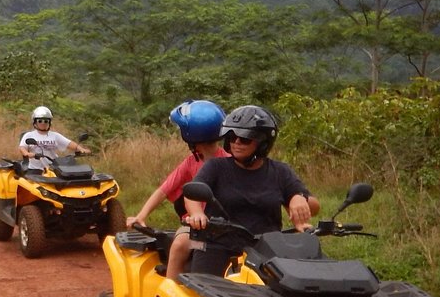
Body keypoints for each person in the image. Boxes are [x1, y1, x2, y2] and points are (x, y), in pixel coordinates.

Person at [184, 105, 320, 275]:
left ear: (263, 143)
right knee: (201, 293)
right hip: (217, 245)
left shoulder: (280, 172)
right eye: (232, 138)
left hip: (265, 250)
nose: (237, 143)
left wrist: (299, 198)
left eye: (245, 139)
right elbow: (192, 194)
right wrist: (197, 213)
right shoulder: (216, 167)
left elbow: (315, 206)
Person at [126, 100, 228, 279]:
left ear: (191, 135)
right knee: (181, 244)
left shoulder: (229, 162)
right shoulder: (190, 163)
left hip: (227, 229)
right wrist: (142, 215)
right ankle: (169, 291)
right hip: (196, 230)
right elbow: (164, 190)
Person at [18, 106, 89, 171]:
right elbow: (22, 148)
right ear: (35, 122)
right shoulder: (29, 135)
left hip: (53, 168)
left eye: (46, 121)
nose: (43, 123)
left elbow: (69, 144)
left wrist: (81, 149)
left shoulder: (55, 136)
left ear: (49, 122)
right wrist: (27, 154)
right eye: (40, 121)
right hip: (35, 169)